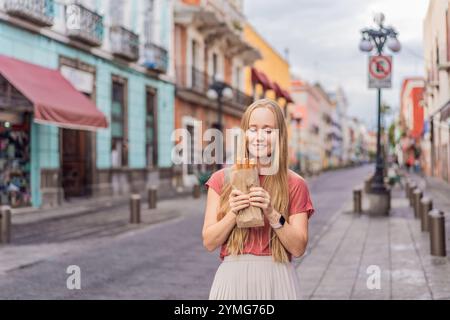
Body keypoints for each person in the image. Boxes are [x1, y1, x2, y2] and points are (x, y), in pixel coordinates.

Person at [202, 98, 315, 300]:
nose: (259, 137)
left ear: (280, 136)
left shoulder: (295, 184)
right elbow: (209, 242)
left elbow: (298, 248)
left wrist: (272, 213)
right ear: (244, 134)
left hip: (278, 280)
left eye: (268, 130)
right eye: (253, 129)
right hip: (231, 282)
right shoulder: (221, 180)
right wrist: (232, 213)